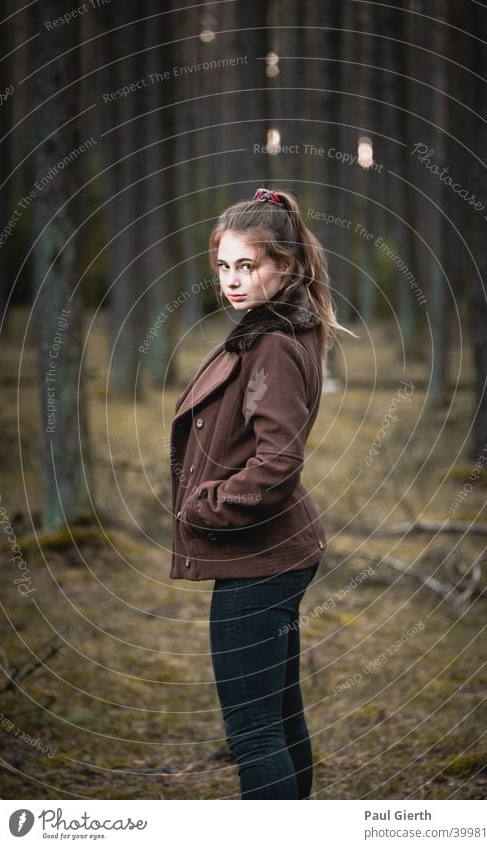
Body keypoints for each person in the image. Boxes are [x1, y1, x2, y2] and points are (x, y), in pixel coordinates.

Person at [169, 187, 355, 799]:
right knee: (278, 717)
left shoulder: (273, 342)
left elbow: (278, 463)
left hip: (260, 558)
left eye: (247, 265)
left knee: (254, 735)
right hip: (273, 555)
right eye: (223, 266)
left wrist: (205, 507)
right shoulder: (270, 331)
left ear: (288, 266)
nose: (232, 280)